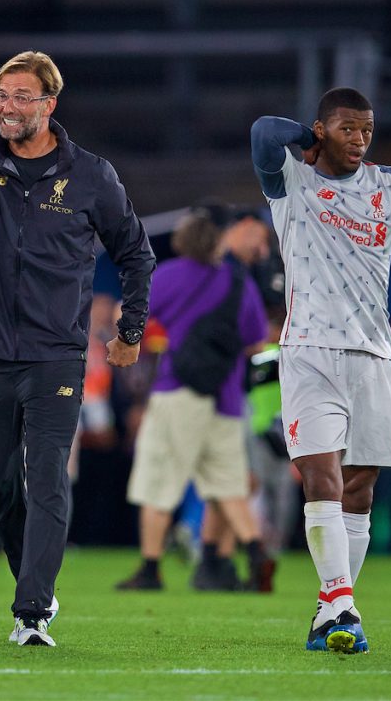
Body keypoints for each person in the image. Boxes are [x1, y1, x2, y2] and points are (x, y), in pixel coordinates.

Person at [0, 51, 156, 646]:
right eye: (1, 94)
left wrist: (130, 331)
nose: (6, 107)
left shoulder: (91, 175)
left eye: (21, 96)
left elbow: (135, 253)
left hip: (57, 352)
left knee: (47, 473)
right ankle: (39, 585)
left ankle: (30, 611)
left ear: (50, 105)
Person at [250, 88, 391, 653]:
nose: (360, 139)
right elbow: (263, 132)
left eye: (367, 130)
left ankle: (328, 611)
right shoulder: (293, 181)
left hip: (374, 357)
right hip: (309, 352)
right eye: (347, 128)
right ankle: (344, 606)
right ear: (322, 129)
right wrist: (309, 138)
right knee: (322, 477)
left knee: (360, 488)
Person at [116, 211, 274, 593]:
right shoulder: (239, 282)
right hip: (228, 398)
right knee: (228, 484)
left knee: (158, 483)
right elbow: (256, 340)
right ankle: (255, 552)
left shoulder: (169, 275)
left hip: (178, 391)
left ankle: (151, 569)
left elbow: (133, 315)